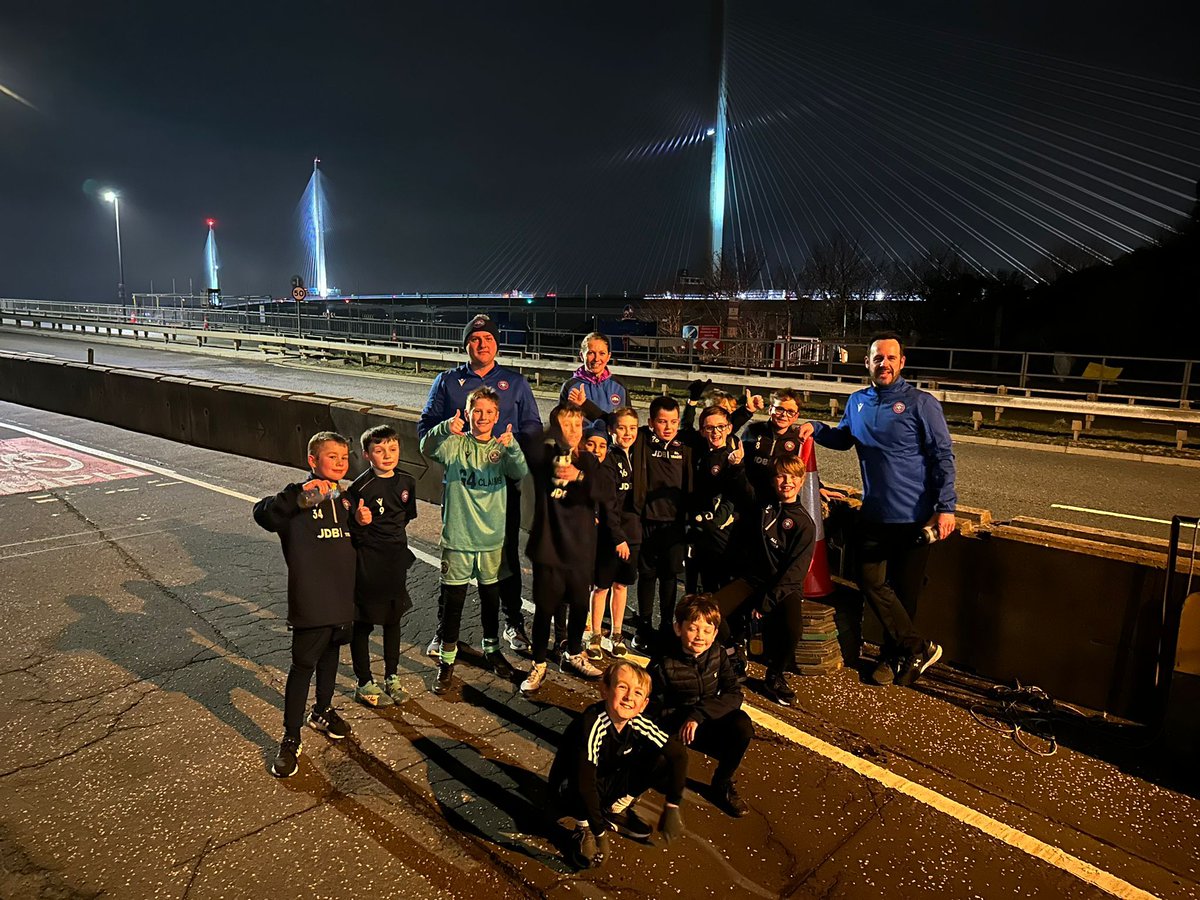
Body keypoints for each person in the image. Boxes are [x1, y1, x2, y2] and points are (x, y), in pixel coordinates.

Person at [800, 333, 955, 687]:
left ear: (901, 363)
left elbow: (943, 456)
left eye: (890, 358)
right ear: (867, 363)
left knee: (904, 593)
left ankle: (893, 657)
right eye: (876, 358)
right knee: (870, 581)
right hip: (874, 514)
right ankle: (919, 647)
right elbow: (844, 439)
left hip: (914, 516)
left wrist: (946, 507)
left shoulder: (921, 403)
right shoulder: (857, 402)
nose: (883, 364)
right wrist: (818, 429)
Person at [418, 313, 543, 653]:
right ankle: (444, 632)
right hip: (461, 484)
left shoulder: (515, 383)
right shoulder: (447, 381)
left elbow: (532, 427)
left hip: (501, 485)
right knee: (454, 564)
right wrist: (448, 431)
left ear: (497, 344)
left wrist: (512, 452)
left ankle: (513, 624)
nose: (482, 344)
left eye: (487, 338)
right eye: (474, 339)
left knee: (506, 558)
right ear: (466, 345)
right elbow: (425, 427)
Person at [253, 431, 356, 778]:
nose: (340, 464)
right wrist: (298, 496)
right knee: (302, 667)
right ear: (313, 461)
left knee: (331, 657)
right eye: (332, 457)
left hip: (344, 597)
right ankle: (290, 737)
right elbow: (263, 514)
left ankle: (323, 711)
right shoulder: (299, 497)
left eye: (344, 458)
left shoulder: (345, 498)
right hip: (311, 599)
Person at [420, 386, 529, 695]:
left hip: (491, 539)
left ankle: (492, 650)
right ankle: (446, 660)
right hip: (458, 538)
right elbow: (426, 448)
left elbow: (519, 470)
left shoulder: (501, 448)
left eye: (489, 412)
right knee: (453, 603)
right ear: (468, 414)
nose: (482, 416)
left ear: (497, 416)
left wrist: (513, 447)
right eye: (477, 411)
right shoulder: (455, 444)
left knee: (490, 600)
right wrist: (443, 428)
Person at [548, 660, 688, 868]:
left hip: (604, 781)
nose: (629, 697)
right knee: (581, 781)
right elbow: (585, 785)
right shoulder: (592, 723)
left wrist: (672, 805)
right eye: (622, 687)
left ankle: (615, 807)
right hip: (573, 788)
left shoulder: (636, 720)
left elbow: (678, 754)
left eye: (638, 693)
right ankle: (583, 826)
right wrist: (600, 835)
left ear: (644, 704)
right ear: (605, 690)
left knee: (660, 758)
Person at [720, 456, 817, 706]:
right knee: (710, 609)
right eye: (781, 476)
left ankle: (774, 675)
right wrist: (739, 465)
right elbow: (743, 488)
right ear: (774, 480)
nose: (787, 482)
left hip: (783, 587)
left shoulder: (805, 524)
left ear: (801, 480)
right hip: (753, 579)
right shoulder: (762, 504)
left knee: (793, 629)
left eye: (793, 477)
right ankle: (732, 655)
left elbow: (795, 573)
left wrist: (765, 604)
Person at [521, 405, 602, 693]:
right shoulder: (545, 458)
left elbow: (603, 492)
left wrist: (578, 477)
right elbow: (527, 441)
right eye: (566, 426)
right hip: (549, 549)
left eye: (577, 426)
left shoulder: (589, 461)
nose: (573, 431)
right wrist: (552, 426)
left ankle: (573, 651)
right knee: (545, 609)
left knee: (580, 606)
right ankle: (539, 662)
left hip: (580, 550)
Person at [649, 594, 754, 817]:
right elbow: (650, 707)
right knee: (656, 774)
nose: (700, 637)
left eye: (707, 631)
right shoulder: (663, 663)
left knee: (742, 725)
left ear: (715, 633)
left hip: (702, 721)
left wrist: (698, 715)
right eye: (693, 628)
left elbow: (734, 693)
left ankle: (721, 784)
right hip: (673, 723)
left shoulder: (717, 653)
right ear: (678, 628)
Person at [346, 425, 417, 707]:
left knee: (393, 619)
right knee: (362, 623)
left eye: (392, 449)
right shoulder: (359, 488)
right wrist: (361, 523)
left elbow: (405, 518)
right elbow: (353, 531)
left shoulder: (407, 482)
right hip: (368, 562)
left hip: (394, 559)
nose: (387, 455)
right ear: (366, 455)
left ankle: (392, 676)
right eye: (379, 450)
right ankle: (364, 681)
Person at [629, 395, 693, 652]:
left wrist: (692, 405)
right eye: (662, 422)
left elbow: (718, 428)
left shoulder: (685, 444)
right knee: (647, 576)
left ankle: (668, 624)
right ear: (651, 423)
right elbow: (614, 421)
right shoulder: (643, 439)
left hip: (675, 526)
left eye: (673, 422)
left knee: (669, 577)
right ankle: (644, 625)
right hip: (646, 522)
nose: (668, 427)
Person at [586, 411, 640, 660]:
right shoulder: (609, 458)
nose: (627, 433)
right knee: (602, 585)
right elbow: (608, 504)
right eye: (622, 428)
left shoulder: (639, 454)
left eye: (633, 428)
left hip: (634, 533)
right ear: (612, 430)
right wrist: (618, 537)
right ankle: (595, 634)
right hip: (611, 535)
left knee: (622, 584)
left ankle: (616, 633)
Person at [740, 387, 806, 501]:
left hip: (777, 497)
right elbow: (740, 460)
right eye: (779, 409)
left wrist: (819, 487)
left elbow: (803, 469)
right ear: (770, 410)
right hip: (748, 493)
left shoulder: (798, 438)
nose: (784, 415)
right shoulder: (753, 430)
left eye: (790, 412)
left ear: (796, 416)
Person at [560, 331, 629, 427]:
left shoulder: (619, 386)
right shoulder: (570, 387)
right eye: (591, 353)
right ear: (581, 355)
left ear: (608, 356)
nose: (596, 359)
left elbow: (629, 423)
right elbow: (561, 426)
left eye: (602, 353)